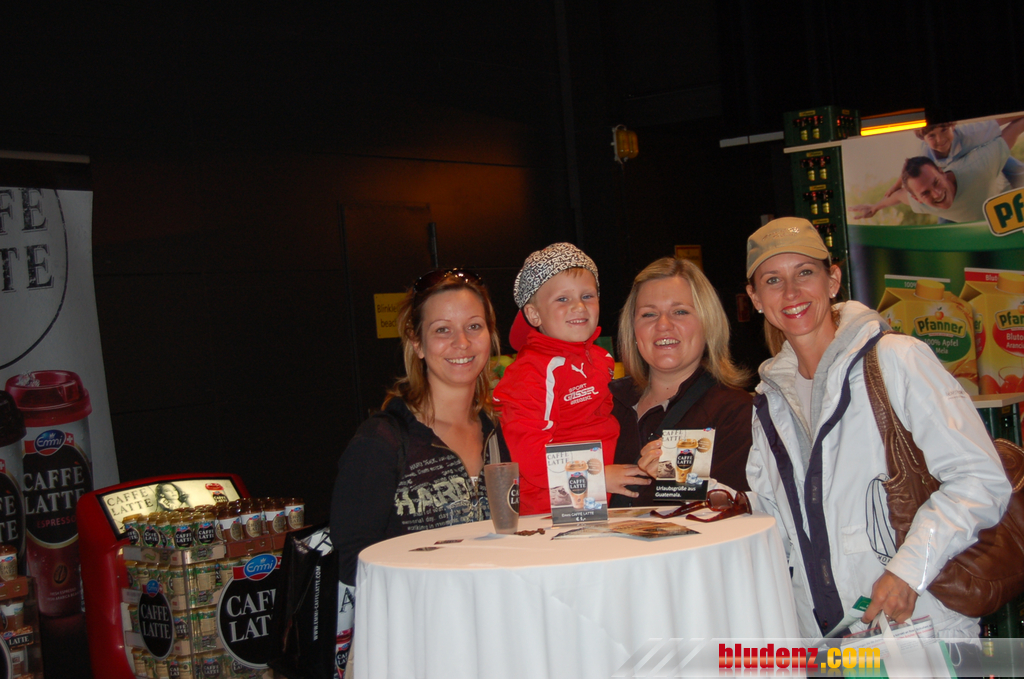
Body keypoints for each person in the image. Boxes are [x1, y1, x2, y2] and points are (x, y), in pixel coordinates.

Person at [743, 217, 1011, 644]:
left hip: (916, 625)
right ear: (756, 299)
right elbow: (778, 519)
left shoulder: (898, 360)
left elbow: (980, 479)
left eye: (805, 273)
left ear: (833, 280)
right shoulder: (769, 400)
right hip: (826, 636)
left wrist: (908, 570)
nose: (791, 292)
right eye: (773, 280)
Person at [330, 268, 503, 586]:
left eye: (474, 326)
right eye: (442, 330)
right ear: (417, 343)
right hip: (417, 613)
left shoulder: (501, 432)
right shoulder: (381, 441)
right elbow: (351, 561)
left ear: (489, 336)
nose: (462, 342)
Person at [493, 243, 626, 516]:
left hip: (601, 501)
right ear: (534, 314)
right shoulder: (531, 372)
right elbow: (530, 456)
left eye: (587, 296)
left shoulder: (601, 358)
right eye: (562, 299)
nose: (579, 306)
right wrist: (597, 478)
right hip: (553, 512)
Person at [610, 257, 753, 507]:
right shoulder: (603, 404)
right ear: (633, 330)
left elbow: (742, 509)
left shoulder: (734, 411)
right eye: (649, 314)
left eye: (680, 312)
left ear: (707, 323)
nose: (663, 325)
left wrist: (678, 477)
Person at [850, 117, 1024, 223]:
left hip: (979, 166)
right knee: (941, 214)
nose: (940, 140)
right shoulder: (925, 156)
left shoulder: (972, 138)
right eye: (932, 136)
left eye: (944, 130)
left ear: (952, 126)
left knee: (1013, 167)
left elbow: (1006, 122)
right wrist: (876, 206)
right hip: (952, 183)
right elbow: (902, 190)